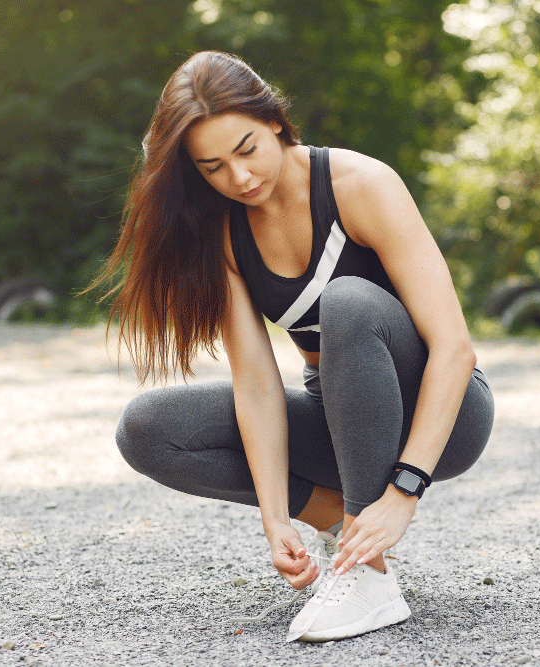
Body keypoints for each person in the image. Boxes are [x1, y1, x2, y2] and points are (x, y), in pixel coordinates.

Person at [91, 51, 494, 642]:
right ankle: (351, 537)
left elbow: (455, 349)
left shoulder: (361, 186)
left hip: (444, 418)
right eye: (213, 168)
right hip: (342, 423)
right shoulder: (225, 234)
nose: (240, 178)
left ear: (275, 120)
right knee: (147, 428)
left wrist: (404, 490)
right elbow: (256, 383)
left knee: (349, 303)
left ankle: (366, 574)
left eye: (247, 149)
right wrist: (277, 515)